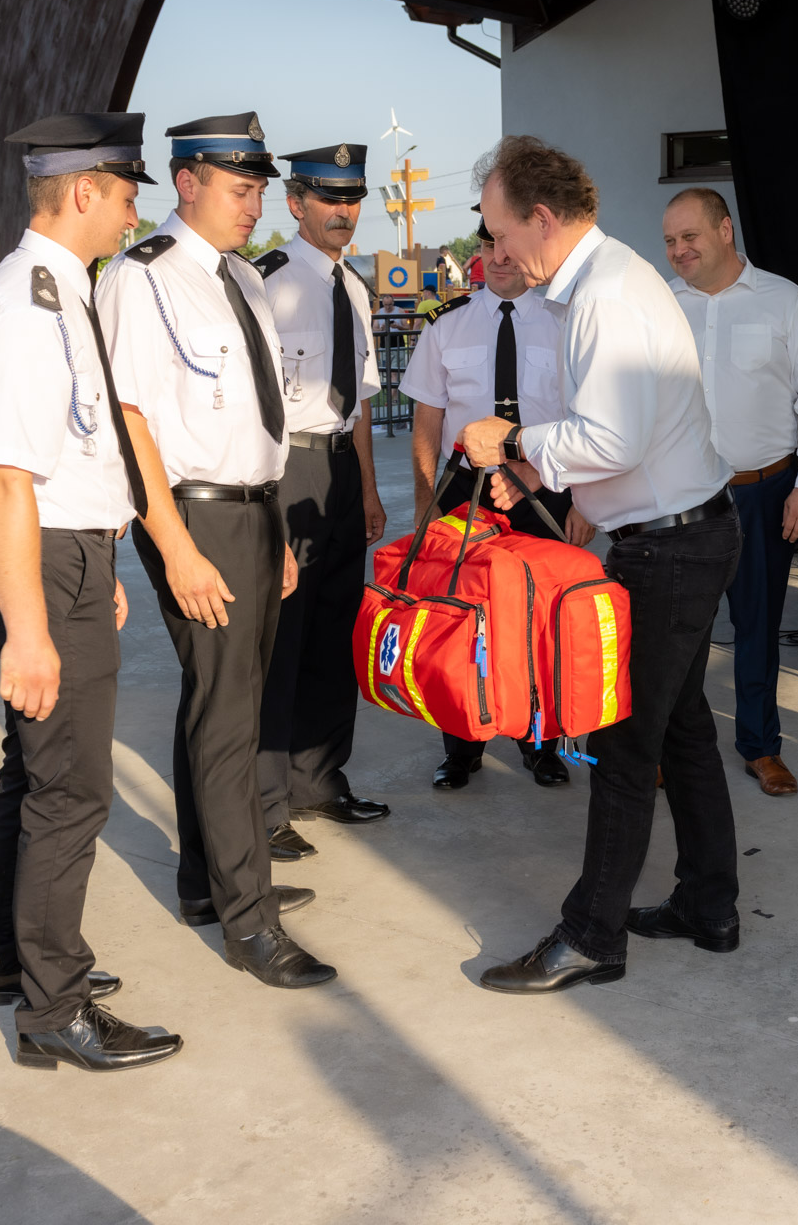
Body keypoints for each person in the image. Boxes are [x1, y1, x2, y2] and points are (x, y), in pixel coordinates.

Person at [460, 136, 741, 995]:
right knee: (682, 728)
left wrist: (511, 438)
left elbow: (611, 439)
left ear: (542, 219)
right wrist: (535, 468)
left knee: (623, 741)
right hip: (681, 532)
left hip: (670, 548)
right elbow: (619, 434)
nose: (496, 249)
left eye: (500, 231)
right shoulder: (603, 281)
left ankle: (591, 936)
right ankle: (709, 905)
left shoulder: (606, 296)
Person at [0, 110, 182, 1071]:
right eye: (126, 197)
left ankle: (5, 957)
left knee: (33, 773)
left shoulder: (61, 294)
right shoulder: (27, 310)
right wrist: (32, 630)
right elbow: (8, 482)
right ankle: (55, 1005)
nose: (133, 216)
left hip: (64, 557)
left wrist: (101, 561)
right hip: (37, 562)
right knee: (71, 791)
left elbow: (77, 456)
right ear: (85, 190)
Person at [98, 111, 332, 990]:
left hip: (254, 512)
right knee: (229, 716)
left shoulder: (240, 277)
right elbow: (130, 420)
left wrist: (274, 532)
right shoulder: (142, 278)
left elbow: (257, 414)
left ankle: (209, 881)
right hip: (197, 518)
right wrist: (175, 548)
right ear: (187, 182)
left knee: (225, 702)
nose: (254, 205)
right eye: (240, 189)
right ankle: (249, 920)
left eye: (260, 189)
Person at [402, 204, 591, 792]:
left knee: (541, 617)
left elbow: (587, 419)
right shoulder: (446, 325)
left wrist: (583, 501)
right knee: (461, 618)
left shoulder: (566, 321)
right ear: (479, 253)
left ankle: (540, 744)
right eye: (489, 248)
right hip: (467, 490)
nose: (500, 259)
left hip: (545, 487)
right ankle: (462, 746)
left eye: (507, 247)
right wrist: (425, 502)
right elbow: (427, 421)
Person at [664, 186, 798, 796]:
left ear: (725, 230)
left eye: (689, 237)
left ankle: (761, 747)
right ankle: (668, 748)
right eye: (670, 241)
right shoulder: (661, 307)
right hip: (683, 496)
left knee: (758, 625)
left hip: (765, 493)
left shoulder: (785, 302)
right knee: (678, 629)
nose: (679, 251)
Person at [247, 142, 392, 855]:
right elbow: (254, 407)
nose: (344, 211)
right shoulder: (265, 281)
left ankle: (320, 782)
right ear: (296, 203)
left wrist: (367, 488)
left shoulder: (355, 287)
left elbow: (358, 404)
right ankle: (266, 805)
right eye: (329, 198)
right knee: (281, 640)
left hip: (338, 473)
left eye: (353, 199)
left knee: (336, 634)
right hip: (286, 470)